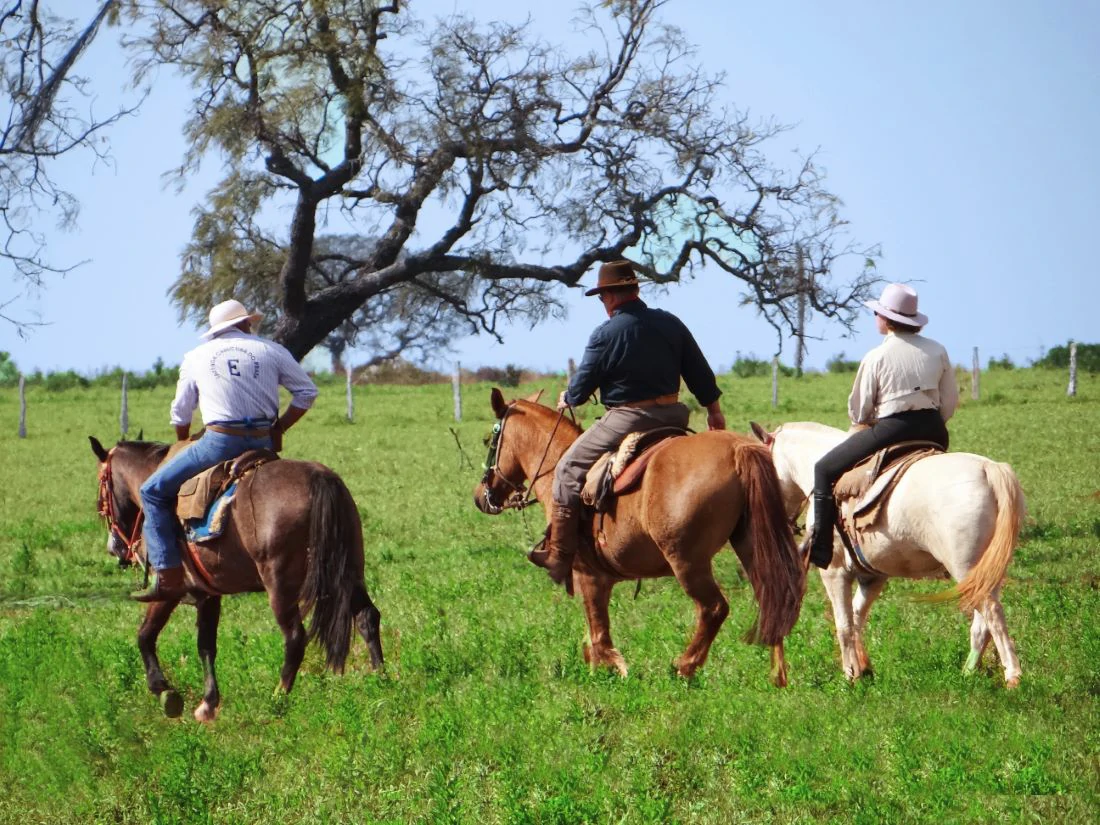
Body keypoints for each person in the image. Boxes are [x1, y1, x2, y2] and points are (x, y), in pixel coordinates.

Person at [529, 259, 726, 589]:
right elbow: (699, 373)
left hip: (626, 419)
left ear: (609, 296)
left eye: (602, 297)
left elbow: (582, 386)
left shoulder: (605, 333)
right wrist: (714, 411)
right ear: (634, 290)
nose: (603, 304)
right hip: (674, 416)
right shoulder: (671, 323)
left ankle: (560, 555)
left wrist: (569, 396)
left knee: (566, 469)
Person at [132, 299, 319, 602]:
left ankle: (167, 575)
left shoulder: (196, 356)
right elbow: (307, 393)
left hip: (218, 442)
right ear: (245, 324)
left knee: (152, 490)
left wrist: (183, 442)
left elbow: (180, 413)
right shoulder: (270, 350)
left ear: (216, 330)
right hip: (262, 442)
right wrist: (279, 427)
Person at [803, 282, 958, 568]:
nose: (875, 318)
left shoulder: (876, 356)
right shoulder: (938, 351)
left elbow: (859, 411)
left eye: (877, 314)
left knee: (822, 469)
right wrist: (930, 421)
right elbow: (950, 401)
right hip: (935, 431)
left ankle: (822, 549)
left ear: (886, 320)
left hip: (892, 429)